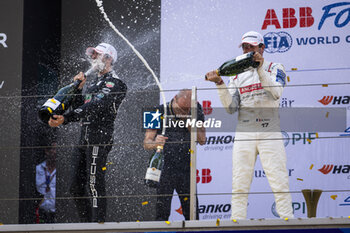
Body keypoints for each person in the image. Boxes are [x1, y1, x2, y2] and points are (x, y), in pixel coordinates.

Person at [205, 31, 293, 219]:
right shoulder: (236, 75)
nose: (247, 50)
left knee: (279, 181)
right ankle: (237, 224)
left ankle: (289, 222)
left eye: (251, 47)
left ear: (262, 48)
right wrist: (220, 83)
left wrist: (260, 69)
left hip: (270, 132)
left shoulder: (275, 67)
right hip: (244, 133)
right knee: (240, 183)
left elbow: (276, 94)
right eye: (245, 47)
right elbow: (230, 108)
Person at [48, 42, 127, 222]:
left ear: (108, 58)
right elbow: (81, 107)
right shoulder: (93, 84)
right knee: (75, 187)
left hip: (100, 138)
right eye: (92, 54)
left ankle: (98, 225)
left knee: (94, 184)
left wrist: (65, 118)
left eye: (96, 55)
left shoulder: (116, 82)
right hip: (83, 138)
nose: (92, 58)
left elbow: (96, 106)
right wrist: (78, 89)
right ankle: (86, 225)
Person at [143, 89, 206, 220]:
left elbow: (202, 140)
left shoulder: (196, 109)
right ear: (174, 99)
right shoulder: (156, 111)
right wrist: (155, 142)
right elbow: (146, 143)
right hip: (165, 168)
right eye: (181, 109)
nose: (184, 112)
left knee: (192, 213)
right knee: (162, 212)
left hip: (186, 167)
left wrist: (188, 122)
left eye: (187, 109)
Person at [35, 141, 57, 223]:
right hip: (40, 213)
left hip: (57, 214)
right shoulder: (37, 169)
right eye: (53, 149)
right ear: (47, 151)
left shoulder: (63, 171)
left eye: (57, 149)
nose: (55, 152)